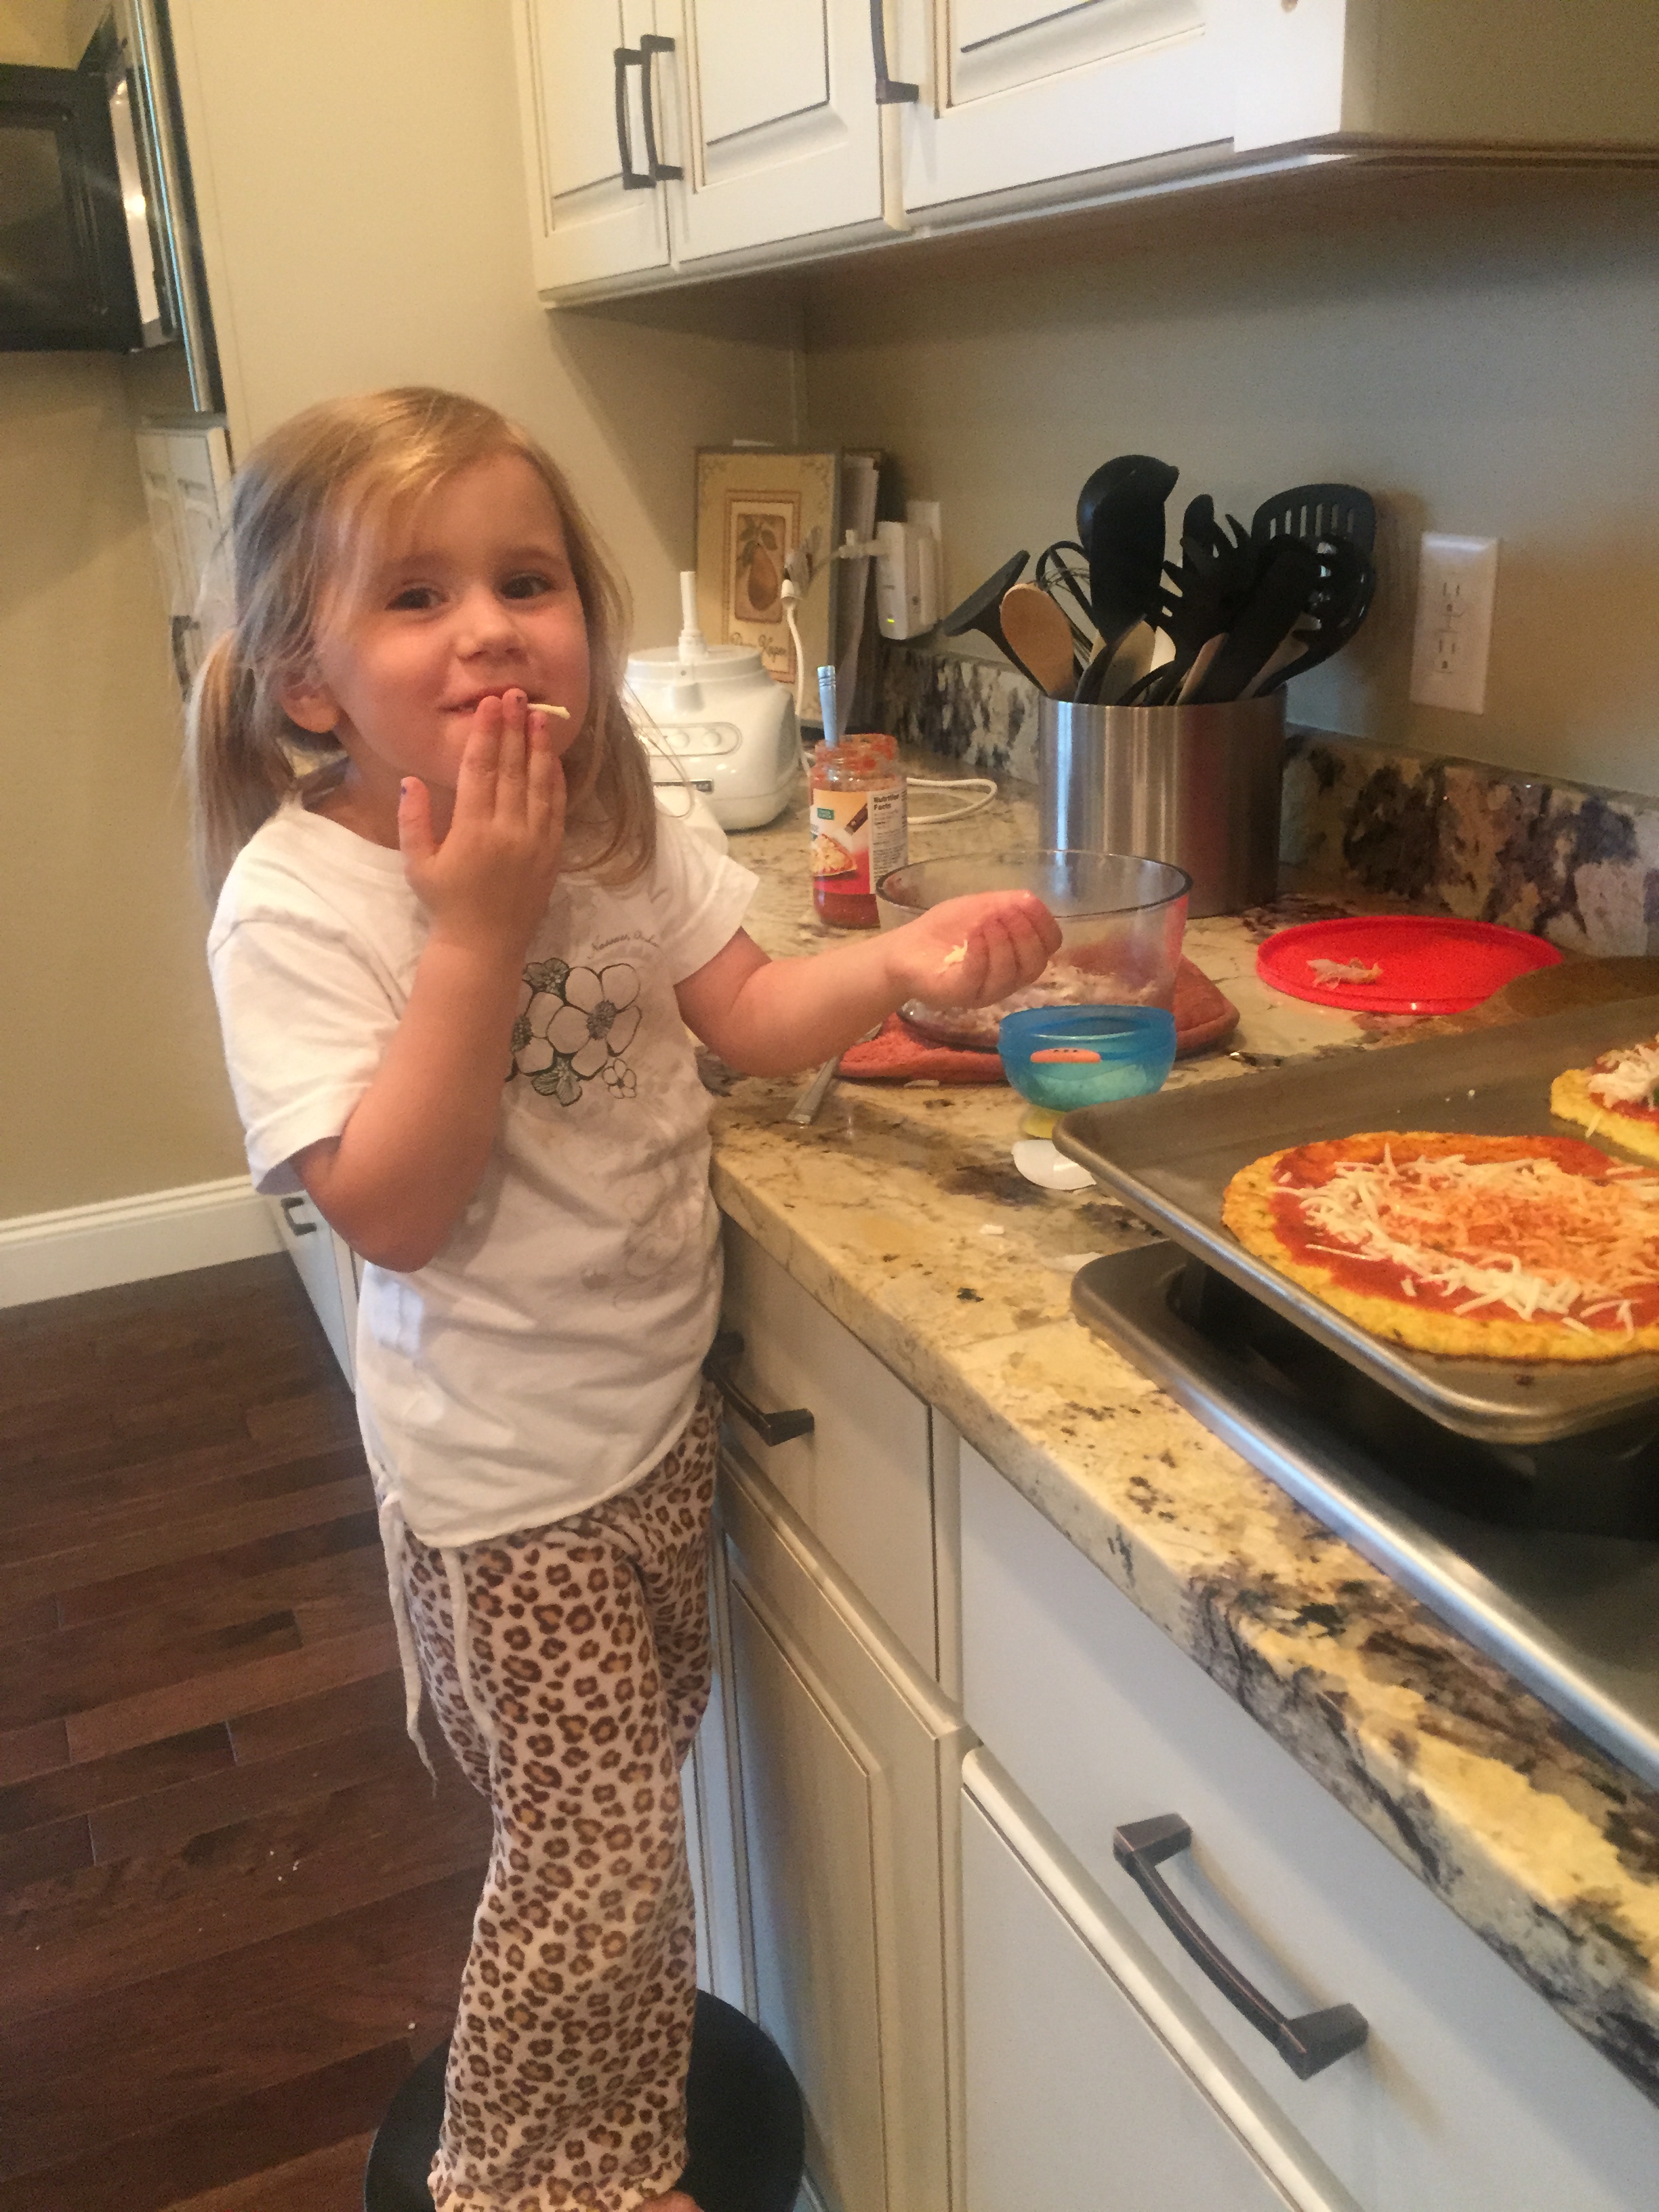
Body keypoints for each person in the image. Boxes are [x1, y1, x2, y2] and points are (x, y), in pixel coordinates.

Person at [190, 386, 1059, 2212]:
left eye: (527, 581)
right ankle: (527, 2180)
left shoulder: (619, 829)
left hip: (651, 1421)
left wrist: (899, 963)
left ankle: (619, 2125)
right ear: (308, 683)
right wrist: (480, 931)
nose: (491, 627)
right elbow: (394, 1213)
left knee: (631, 1836)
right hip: (508, 1486)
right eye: (417, 595)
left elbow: (751, 1015)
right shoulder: (301, 906)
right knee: (589, 1867)